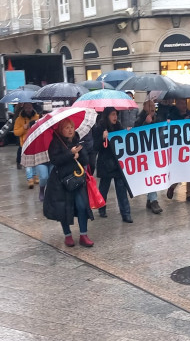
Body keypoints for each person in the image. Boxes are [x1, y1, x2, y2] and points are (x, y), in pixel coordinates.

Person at [44, 118, 94, 247]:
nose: (70, 130)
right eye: (66, 127)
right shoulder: (56, 142)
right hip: (61, 182)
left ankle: (84, 235)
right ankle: (68, 235)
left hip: (77, 180)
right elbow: (55, 160)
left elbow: (85, 160)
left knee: (82, 206)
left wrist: (79, 155)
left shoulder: (78, 140)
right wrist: (69, 154)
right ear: (61, 130)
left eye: (71, 127)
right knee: (64, 209)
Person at [94, 107, 132, 223]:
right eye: (113, 114)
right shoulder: (99, 128)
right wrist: (102, 138)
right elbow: (95, 147)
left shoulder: (118, 126)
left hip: (117, 162)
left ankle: (126, 214)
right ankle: (102, 208)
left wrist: (127, 133)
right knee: (104, 188)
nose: (115, 117)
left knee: (121, 188)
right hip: (105, 163)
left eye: (116, 114)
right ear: (107, 116)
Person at [134, 100, 163, 214]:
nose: (152, 107)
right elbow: (136, 132)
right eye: (149, 105)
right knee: (150, 174)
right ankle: (154, 200)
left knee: (153, 174)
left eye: (153, 105)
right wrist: (146, 123)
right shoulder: (140, 118)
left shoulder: (158, 117)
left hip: (155, 150)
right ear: (144, 106)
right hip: (145, 151)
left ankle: (150, 199)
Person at [14, 103, 41, 189]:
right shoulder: (19, 119)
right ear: (24, 108)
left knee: (36, 161)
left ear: (32, 107)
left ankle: (35, 176)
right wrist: (24, 128)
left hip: (35, 142)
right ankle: (30, 179)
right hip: (25, 144)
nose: (28, 109)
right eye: (26, 107)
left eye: (30, 107)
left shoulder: (37, 117)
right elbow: (16, 132)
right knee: (28, 163)